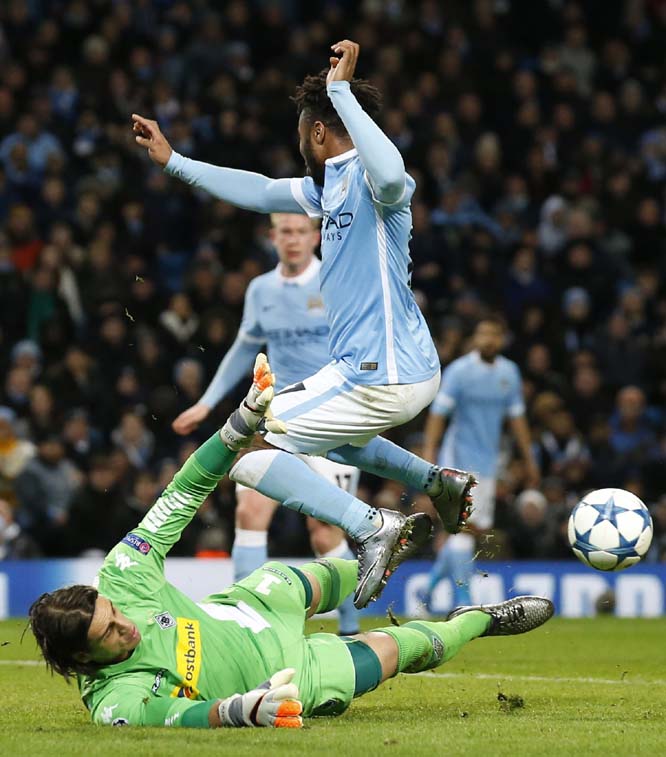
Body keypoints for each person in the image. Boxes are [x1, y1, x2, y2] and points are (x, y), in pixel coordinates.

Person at [133, 40, 476, 608]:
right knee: (338, 445)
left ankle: (371, 525)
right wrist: (175, 161)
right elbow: (259, 190)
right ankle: (438, 483)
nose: (299, 145)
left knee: (246, 451)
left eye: (302, 134)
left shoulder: (373, 182)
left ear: (319, 132)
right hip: (386, 370)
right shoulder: (327, 188)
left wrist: (341, 93)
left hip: (381, 370)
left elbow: (394, 174)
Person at [29, 359, 554, 728]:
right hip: (285, 677)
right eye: (110, 633)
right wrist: (242, 710)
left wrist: (237, 426)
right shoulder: (115, 702)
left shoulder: (122, 573)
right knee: (404, 650)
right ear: (83, 659)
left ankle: (381, 548)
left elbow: (185, 490)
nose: (124, 623)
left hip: (252, 606)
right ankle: (481, 619)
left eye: (114, 612)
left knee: (319, 575)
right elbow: (182, 717)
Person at [173, 212, 361, 634]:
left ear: (315, 236)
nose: (292, 240)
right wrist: (206, 403)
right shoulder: (261, 290)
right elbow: (244, 347)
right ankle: (241, 623)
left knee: (325, 529)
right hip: (276, 419)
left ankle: (351, 629)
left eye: (299, 231)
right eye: (284, 232)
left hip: (332, 419)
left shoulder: (336, 281)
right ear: (272, 237)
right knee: (250, 510)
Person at [421, 317, 540, 609]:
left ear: (502, 338)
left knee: (471, 529)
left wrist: (530, 460)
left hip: (488, 464)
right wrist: (429, 453)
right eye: (483, 333)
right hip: (457, 459)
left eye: (493, 334)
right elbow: (439, 413)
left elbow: (517, 419)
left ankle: (430, 587)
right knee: (464, 528)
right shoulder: (460, 371)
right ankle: (464, 600)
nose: (488, 339)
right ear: (475, 338)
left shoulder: (509, 373)